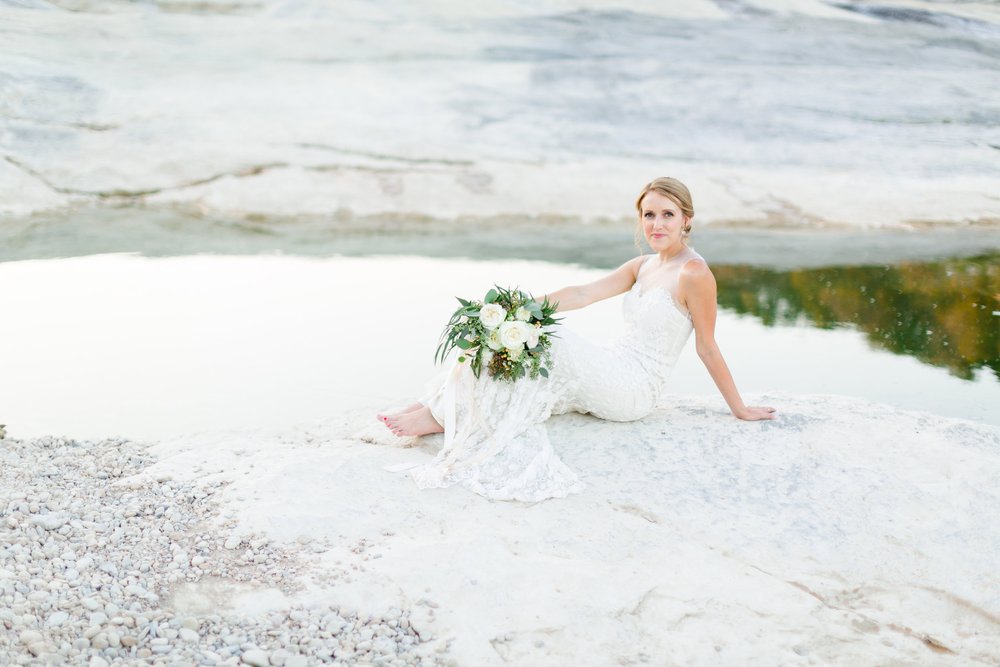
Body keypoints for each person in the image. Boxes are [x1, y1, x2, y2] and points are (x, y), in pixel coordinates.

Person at [378, 177, 776, 501]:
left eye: (667, 215)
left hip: (635, 390)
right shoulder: (643, 265)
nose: (657, 224)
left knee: (552, 340)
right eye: (649, 214)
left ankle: (438, 418)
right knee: (518, 333)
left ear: (687, 219)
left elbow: (706, 345)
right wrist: (520, 308)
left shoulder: (695, 274)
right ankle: (439, 403)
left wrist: (738, 407)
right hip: (614, 364)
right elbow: (583, 294)